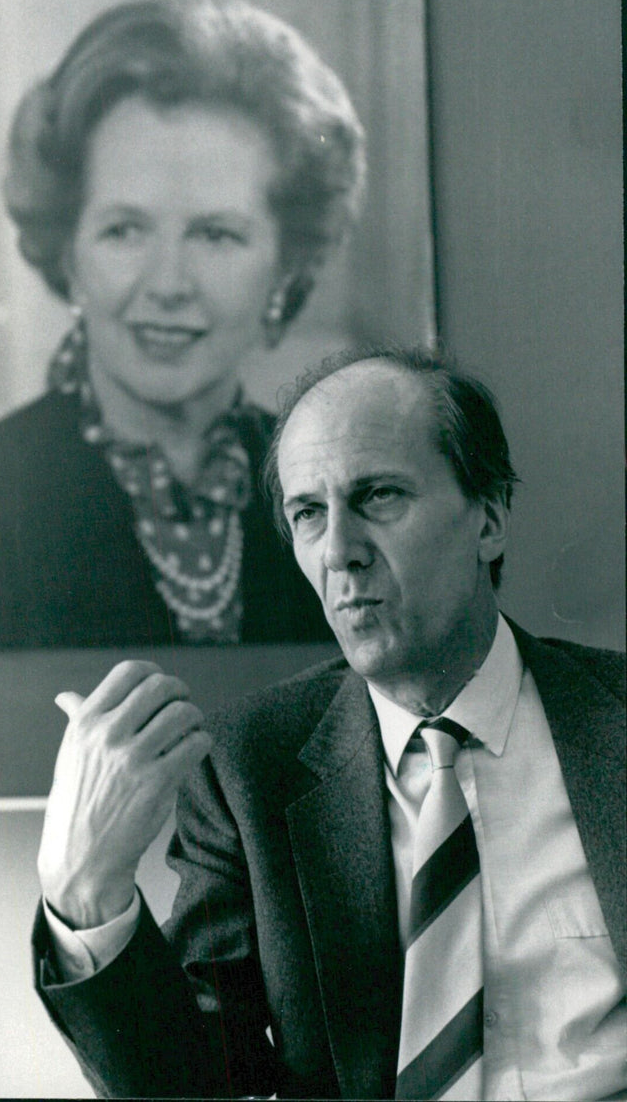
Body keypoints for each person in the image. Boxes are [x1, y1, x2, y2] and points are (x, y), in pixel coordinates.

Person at [31, 346, 626, 1100]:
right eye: (308, 514)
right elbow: (196, 1082)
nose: (339, 552)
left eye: (378, 496)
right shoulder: (249, 768)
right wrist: (87, 896)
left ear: (489, 522)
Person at [0, 0, 366, 650]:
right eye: (124, 230)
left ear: (286, 265)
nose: (168, 284)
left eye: (217, 234)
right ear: (68, 249)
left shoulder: (341, 499)